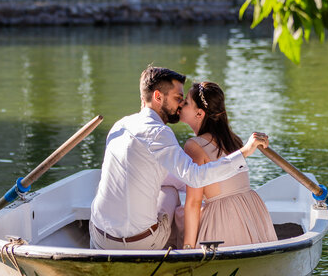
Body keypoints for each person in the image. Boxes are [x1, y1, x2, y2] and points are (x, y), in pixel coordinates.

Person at [89, 66, 255, 251]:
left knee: (165, 182)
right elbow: (194, 177)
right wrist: (244, 153)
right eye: (178, 99)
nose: (180, 105)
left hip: (99, 238)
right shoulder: (159, 132)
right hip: (141, 243)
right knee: (170, 191)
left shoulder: (120, 125)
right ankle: (177, 249)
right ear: (158, 97)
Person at [176, 81, 277, 249]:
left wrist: (188, 248)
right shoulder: (232, 139)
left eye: (186, 102)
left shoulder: (194, 146)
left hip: (224, 218)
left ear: (199, 114)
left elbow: (193, 202)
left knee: (176, 215)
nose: (180, 105)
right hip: (250, 211)